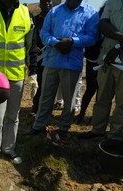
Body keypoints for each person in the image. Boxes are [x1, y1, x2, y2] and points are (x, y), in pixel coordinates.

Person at [0, 0, 36, 168]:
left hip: (16, 75)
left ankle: (9, 148)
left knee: (13, 115)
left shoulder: (26, 14)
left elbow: (31, 46)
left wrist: (33, 72)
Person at [31, 0, 99, 135]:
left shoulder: (90, 13)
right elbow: (44, 32)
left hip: (71, 63)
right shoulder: (55, 11)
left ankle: (63, 128)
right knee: (46, 97)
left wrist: (72, 41)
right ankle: (38, 126)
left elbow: (92, 37)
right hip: (51, 61)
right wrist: (56, 43)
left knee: (70, 100)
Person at [79, 0, 123, 138]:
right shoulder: (112, 2)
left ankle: (114, 135)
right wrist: (122, 38)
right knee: (102, 96)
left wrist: (118, 47)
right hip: (106, 56)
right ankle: (97, 129)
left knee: (122, 101)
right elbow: (103, 24)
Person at [74, 4, 106, 123]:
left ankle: (96, 117)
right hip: (94, 59)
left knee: (100, 90)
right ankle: (82, 114)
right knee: (91, 88)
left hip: (105, 60)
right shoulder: (96, 22)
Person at [30, 0, 53, 116]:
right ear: (40, 4)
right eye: (44, 2)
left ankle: (47, 109)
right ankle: (36, 107)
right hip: (40, 57)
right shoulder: (35, 19)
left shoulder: (56, 18)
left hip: (53, 56)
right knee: (39, 82)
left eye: (49, 1)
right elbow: (32, 36)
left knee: (50, 84)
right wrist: (35, 47)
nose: (47, 4)